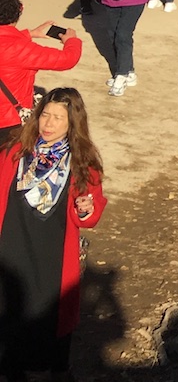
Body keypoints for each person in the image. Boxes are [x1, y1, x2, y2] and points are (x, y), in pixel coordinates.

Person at [0, 87, 106, 381]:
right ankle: (11, 368)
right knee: (8, 305)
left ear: (73, 123)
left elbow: (89, 213)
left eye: (58, 118)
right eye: (45, 115)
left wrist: (86, 208)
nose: (48, 124)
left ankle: (56, 369)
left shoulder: (83, 162)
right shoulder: (16, 149)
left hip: (53, 251)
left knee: (49, 310)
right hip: (10, 241)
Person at [0, 0, 83, 132]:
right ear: (21, 9)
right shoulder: (21, 50)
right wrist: (72, 41)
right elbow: (67, 59)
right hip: (8, 121)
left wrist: (27, 34)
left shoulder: (18, 47)